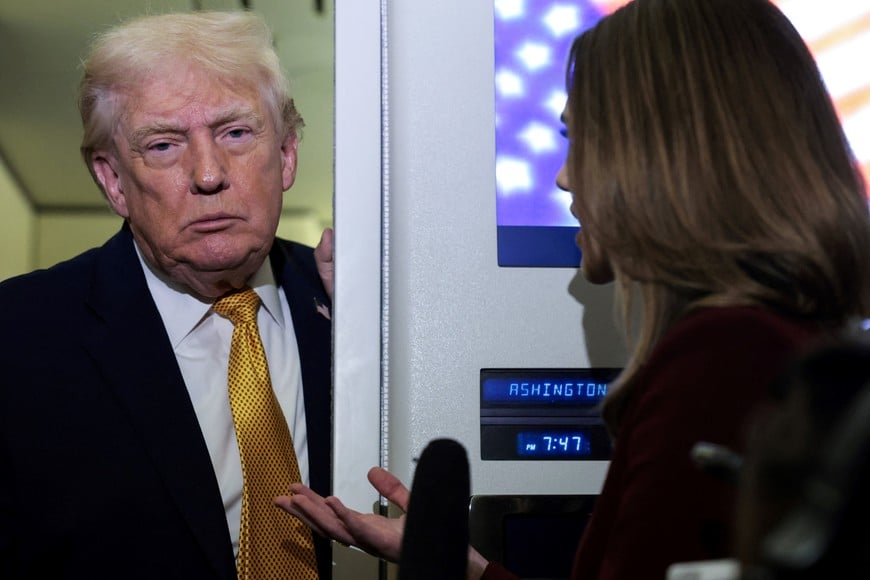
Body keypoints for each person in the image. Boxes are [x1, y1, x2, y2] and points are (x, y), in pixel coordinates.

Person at [275, 0, 870, 578]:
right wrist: (469, 568)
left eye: (580, 138)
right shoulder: (781, 344)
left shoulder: (721, 361)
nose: (564, 176)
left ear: (660, 157)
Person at [0, 11, 335, 580]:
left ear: (286, 156)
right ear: (112, 181)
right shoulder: (18, 335)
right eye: (162, 145)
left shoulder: (357, 305)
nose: (208, 174)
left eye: (235, 132)